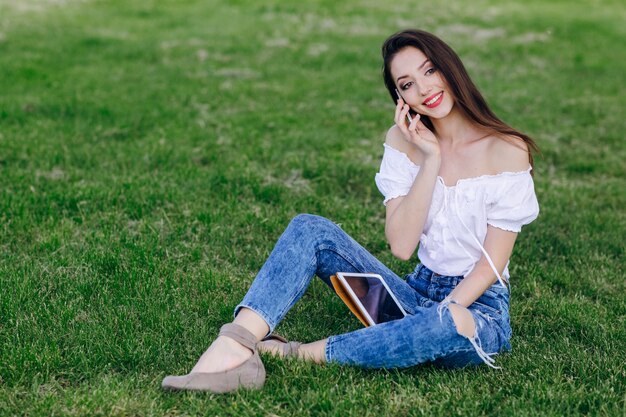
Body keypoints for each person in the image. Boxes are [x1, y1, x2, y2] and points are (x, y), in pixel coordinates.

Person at [161, 29, 540, 393]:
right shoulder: (404, 142)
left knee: (446, 324)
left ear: (449, 67)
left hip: (478, 311)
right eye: (407, 84)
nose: (424, 89)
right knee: (310, 229)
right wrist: (431, 159)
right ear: (401, 99)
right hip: (416, 290)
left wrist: (439, 313)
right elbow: (403, 247)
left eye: (429, 70)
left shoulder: (506, 149)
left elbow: (491, 267)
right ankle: (236, 344)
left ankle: (296, 352)